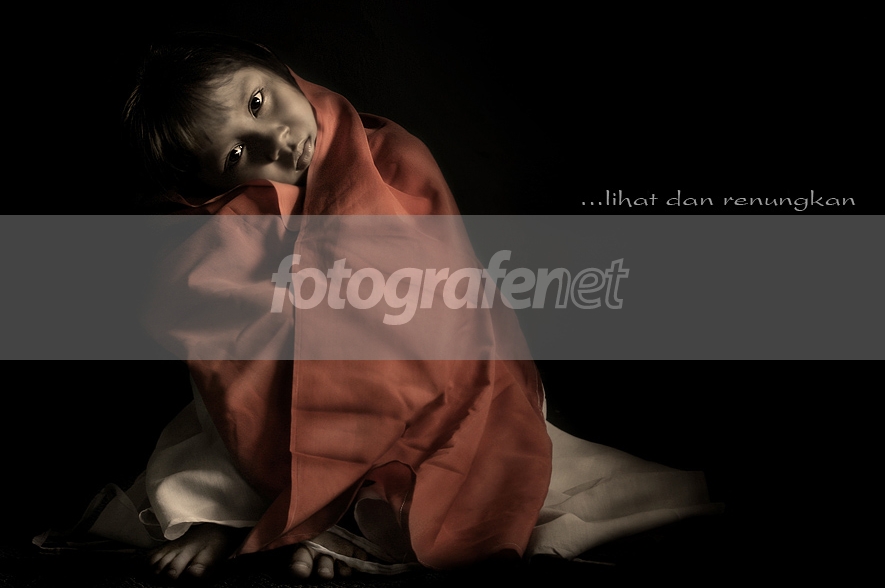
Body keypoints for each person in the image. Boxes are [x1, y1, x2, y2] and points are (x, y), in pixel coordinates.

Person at [45, 30, 720, 582]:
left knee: (433, 443)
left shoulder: (389, 153)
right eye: (238, 153)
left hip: (427, 367)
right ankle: (238, 515)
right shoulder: (226, 213)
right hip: (288, 391)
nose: (274, 140)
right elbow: (209, 300)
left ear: (276, 66)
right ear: (212, 185)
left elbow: (433, 279)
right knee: (231, 356)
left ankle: (346, 522)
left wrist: (323, 293)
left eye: (258, 101)